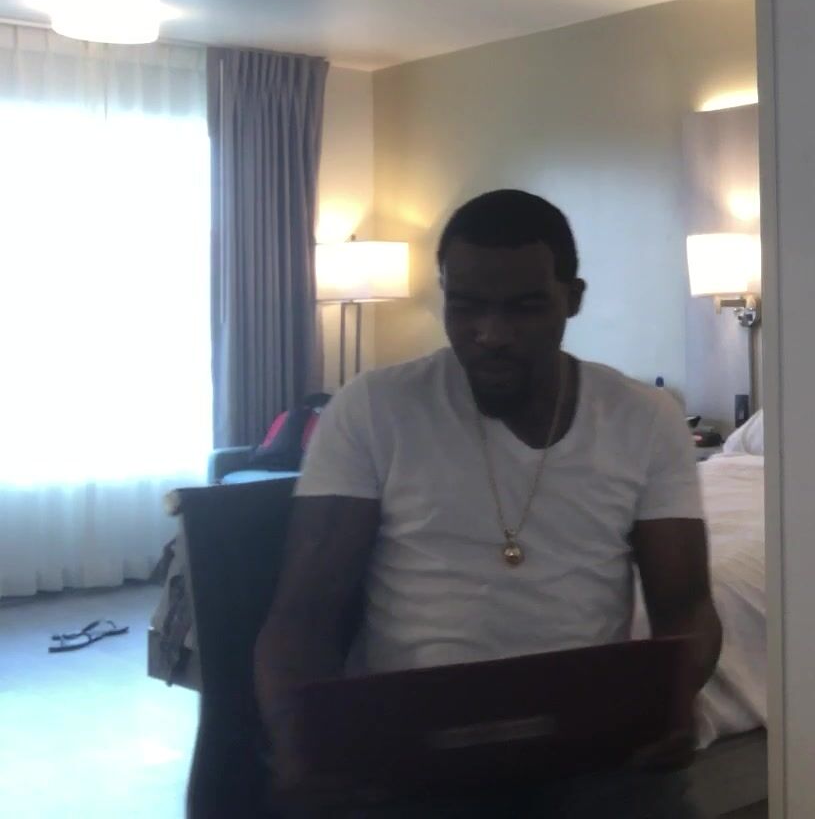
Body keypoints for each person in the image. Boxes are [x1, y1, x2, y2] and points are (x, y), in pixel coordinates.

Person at [256, 189, 720, 817]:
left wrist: (676, 700)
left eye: (524, 308)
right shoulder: (374, 408)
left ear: (573, 299)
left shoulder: (645, 418)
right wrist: (299, 740)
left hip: (588, 749)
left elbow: (685, 604)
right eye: (466, 306)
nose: (491, 335)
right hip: (413, 750)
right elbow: (305, 612)